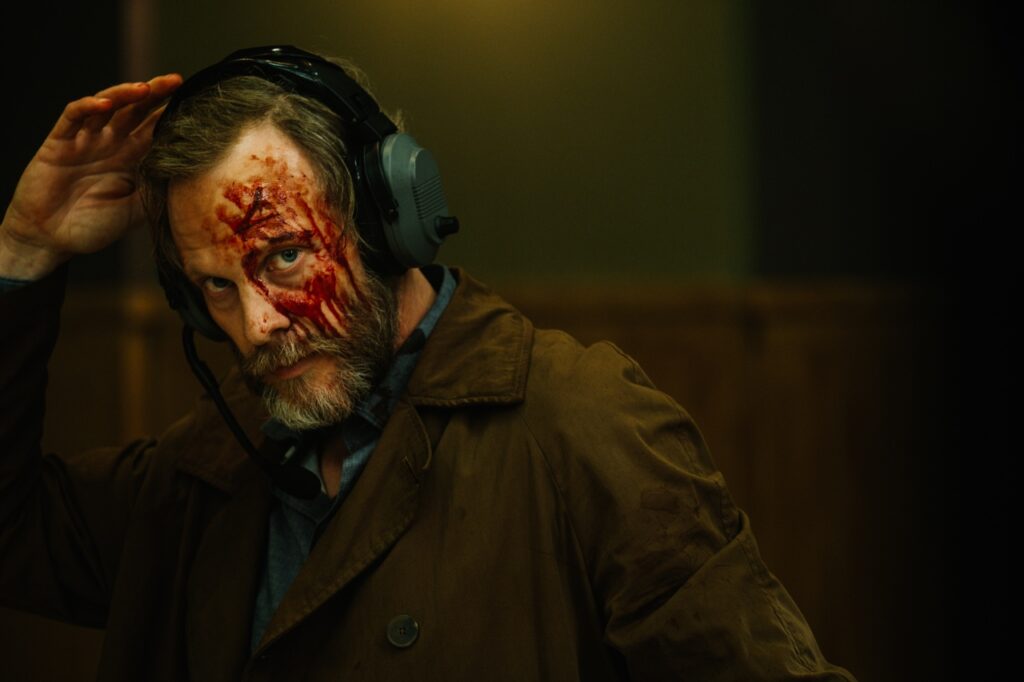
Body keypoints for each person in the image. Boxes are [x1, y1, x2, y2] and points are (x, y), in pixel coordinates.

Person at [0, 46, 856, 680]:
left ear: (388, 219)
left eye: (286, 257)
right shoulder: (203, 472)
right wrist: (23, 253)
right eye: (216, 288)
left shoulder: (582, 426)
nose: (256, 325)